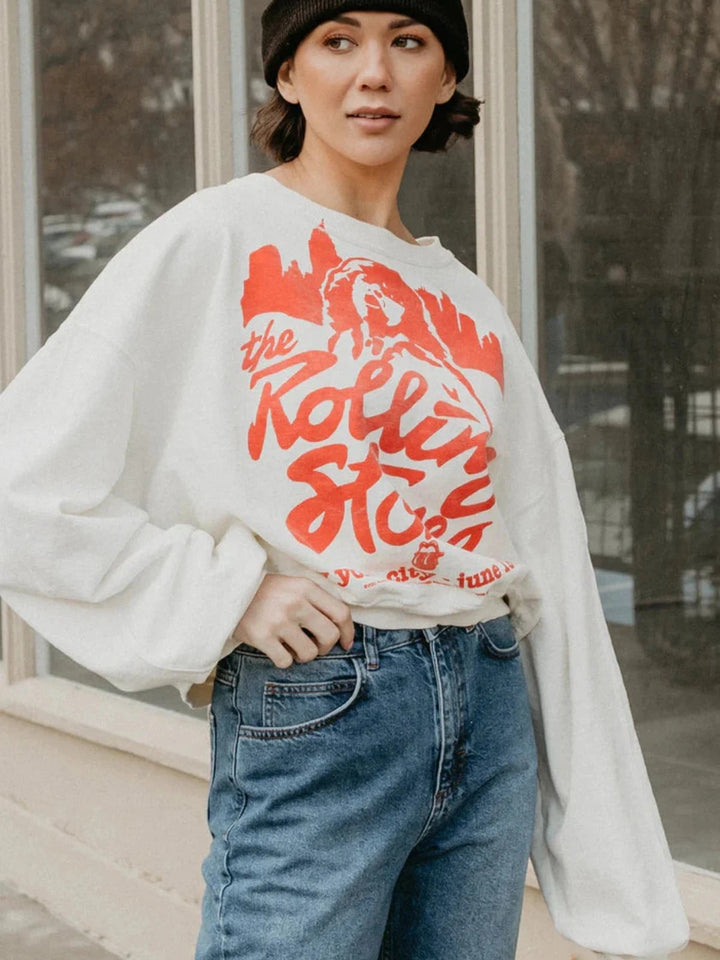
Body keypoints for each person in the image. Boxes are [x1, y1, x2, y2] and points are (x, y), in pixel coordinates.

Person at [0, 2, 690, 959]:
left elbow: (546, 554)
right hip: (323, 702)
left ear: (445, 79)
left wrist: (612, 862)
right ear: (288, 73)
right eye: (338, 40)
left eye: (409, 42)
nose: (375, 72)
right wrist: (229, 592)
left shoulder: (463, 296)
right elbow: (20, 487)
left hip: (486, 701)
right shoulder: (217, 237)